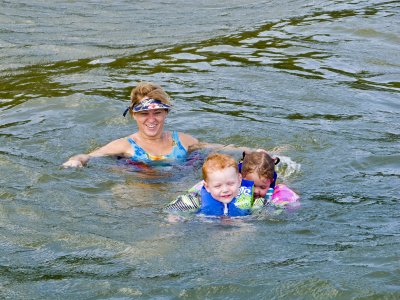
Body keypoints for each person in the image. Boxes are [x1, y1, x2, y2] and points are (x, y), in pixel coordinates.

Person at [165, 151, 299, 215]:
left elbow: (280, 209)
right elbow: (174, 209)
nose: (225, 190)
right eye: (218, 186)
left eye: (262, 187)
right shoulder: (200, 194)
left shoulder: (261, 201)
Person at [165, 153, 254, 216]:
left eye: (230, 183)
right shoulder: (196, 199)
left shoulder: (249, 195)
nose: (225, 190)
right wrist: (174, 218)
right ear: (207, 187)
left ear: (239, 180)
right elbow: (171, 210)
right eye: (218, 186)